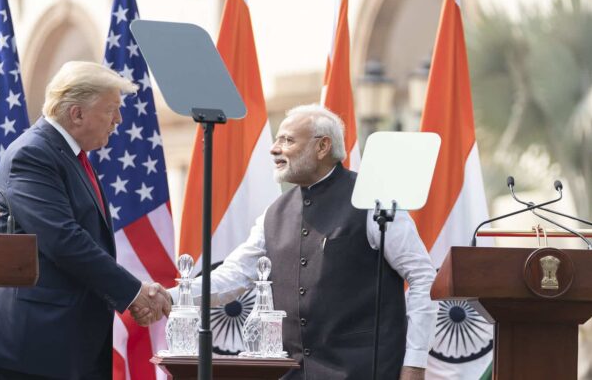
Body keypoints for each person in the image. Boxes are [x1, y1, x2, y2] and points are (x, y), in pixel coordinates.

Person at [151, 104, 437, 379]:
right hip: (291, 373)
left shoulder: (373, 202)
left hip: (366, 370)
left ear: (322, 146)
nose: (275, 149)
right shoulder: (274, 214)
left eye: (287, 141)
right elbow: (234, 275)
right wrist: (172, 296)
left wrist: (415, 364)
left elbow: (423, 277)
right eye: (277, 140)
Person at [0, 61, 171, 380]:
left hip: (66, 348)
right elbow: (63, 240)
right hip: (30, 351)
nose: (119, 120)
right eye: (112, 110)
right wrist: (134, 292)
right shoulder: (33, 155)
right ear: (77, 113)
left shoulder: (70, 156)